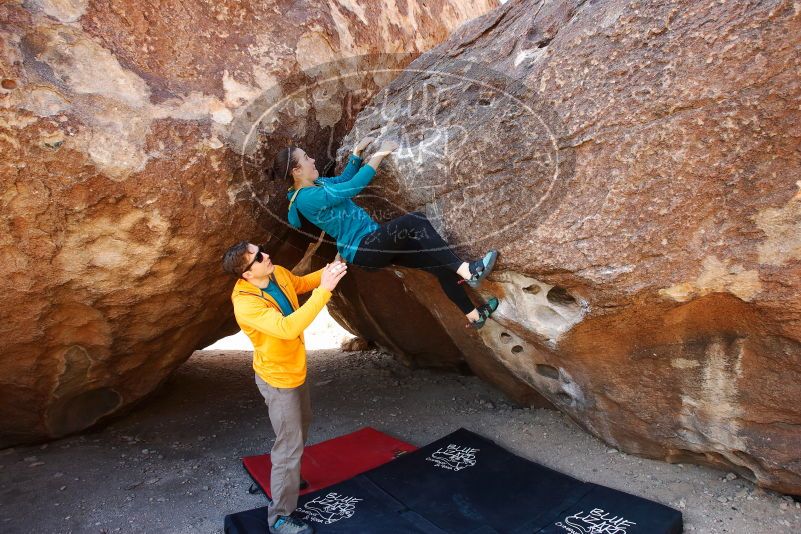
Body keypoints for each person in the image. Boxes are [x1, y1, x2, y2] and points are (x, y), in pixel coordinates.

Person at [273, 137, 499, 328]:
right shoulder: (306, 199)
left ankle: (474, 316)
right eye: (306, 158)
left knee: (439, 264)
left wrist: (356, 155)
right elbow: (351, 188)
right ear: (296, 170)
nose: (312, 160)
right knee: (415, 221)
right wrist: (379, 154)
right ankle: (469, 271)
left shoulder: (317, 184)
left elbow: (342, 180)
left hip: (372, 242)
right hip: (364, 249)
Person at [222, 242, 347, 534]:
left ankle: (289, 479)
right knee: (289, 445)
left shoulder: (276, 272)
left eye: (262, 249)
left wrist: (331, 269)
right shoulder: (246, 304)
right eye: (259, 256)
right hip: (278, 380)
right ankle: (279, 518)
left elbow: (301, 283)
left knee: (301, 427)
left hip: (295, 370)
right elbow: (287, 328)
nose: (267, 255)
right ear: (246, 274)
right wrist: (325, 290)